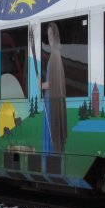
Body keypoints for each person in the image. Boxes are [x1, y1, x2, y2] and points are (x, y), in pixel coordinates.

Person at [41, 22, 67, 159]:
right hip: (51, 102)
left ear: (56, 36)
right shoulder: (56, 55)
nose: (50, 38)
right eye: (48, 35)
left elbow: (53, 83)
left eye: (51, 34)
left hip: (51, 103)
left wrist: (41, 85)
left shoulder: (54, 56)